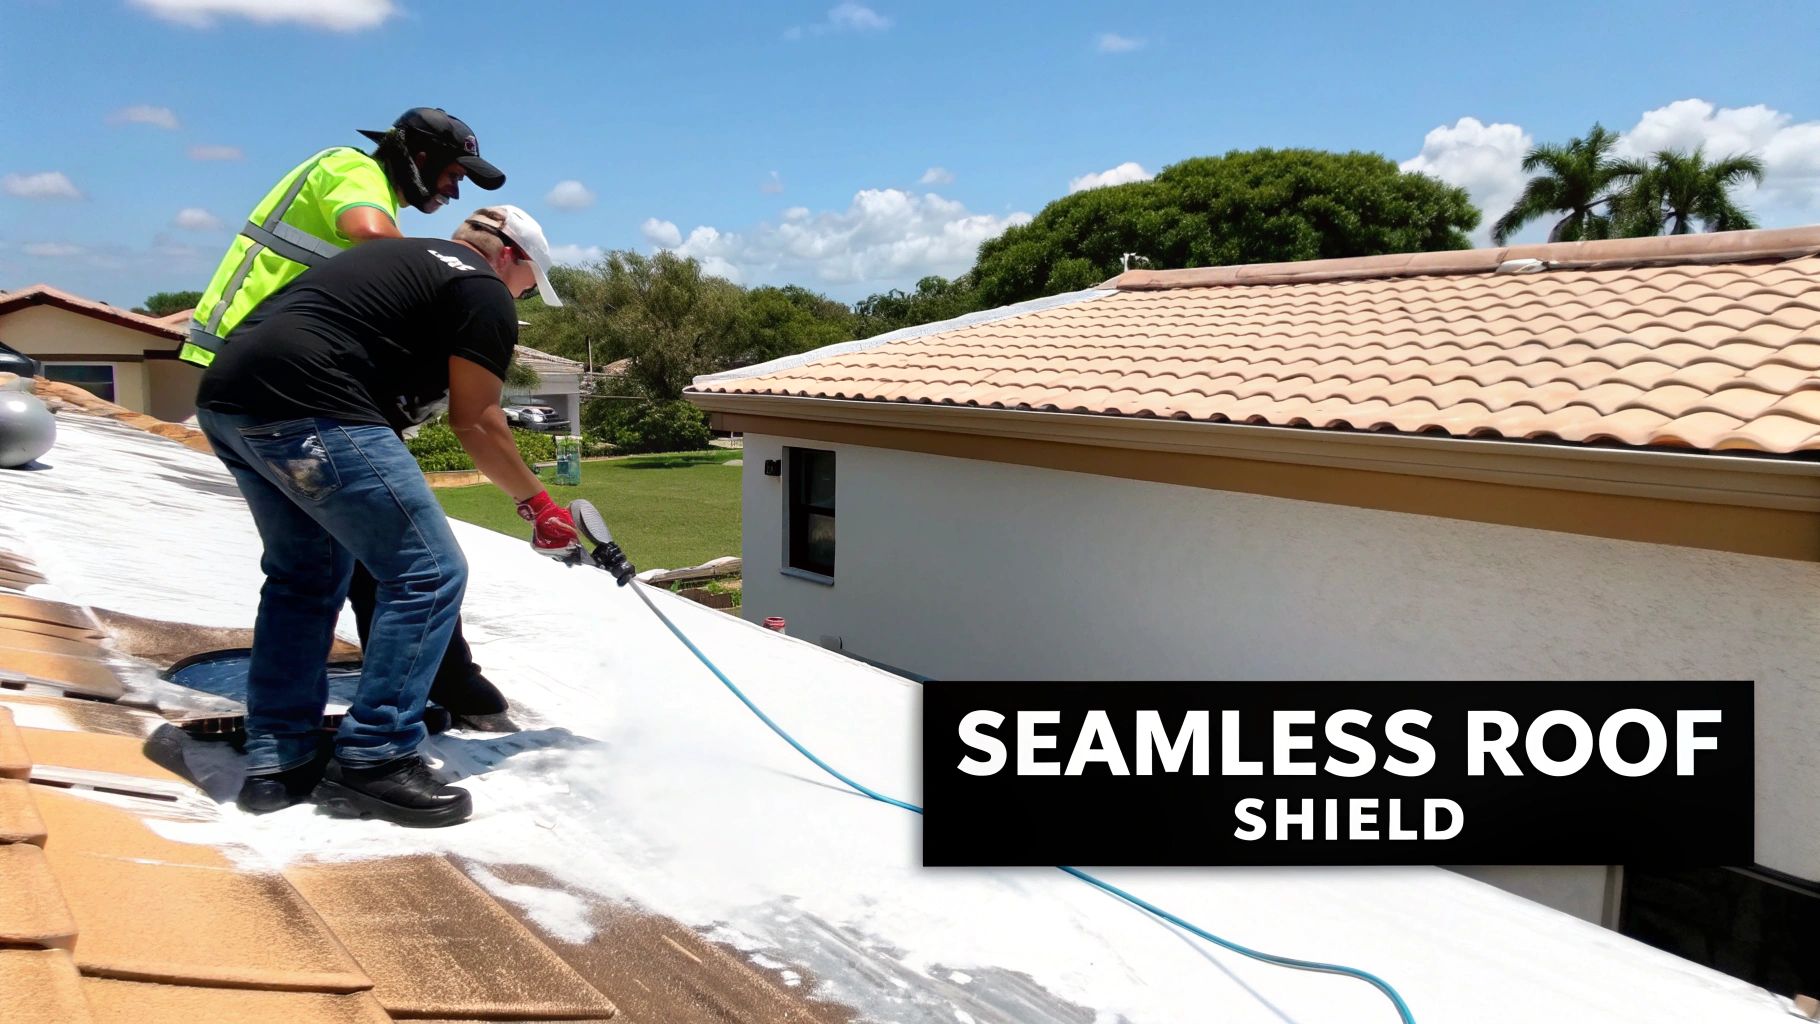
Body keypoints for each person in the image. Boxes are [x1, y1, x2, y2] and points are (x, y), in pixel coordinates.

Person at [194, 206, 588, 827]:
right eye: (529, 285)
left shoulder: (394, 259)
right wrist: (539, 507)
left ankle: (279, 755)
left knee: (305, 577)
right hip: (313, 404)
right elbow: (476, 420)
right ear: (511, 256)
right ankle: (377, 754)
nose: (523, 297)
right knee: (428, 572)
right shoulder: (482, 287)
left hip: (228, 403)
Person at [186, 107, 514, 721]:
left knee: (315, 571)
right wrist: (454, 274)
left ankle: (281, 741)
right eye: (452, 174)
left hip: (254, 379)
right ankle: (390, 730)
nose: (454, 190)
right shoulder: (352, 169)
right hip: (293, 376)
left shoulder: (375, 189)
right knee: (421, 564)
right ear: (418, 157)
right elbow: (368, 232)